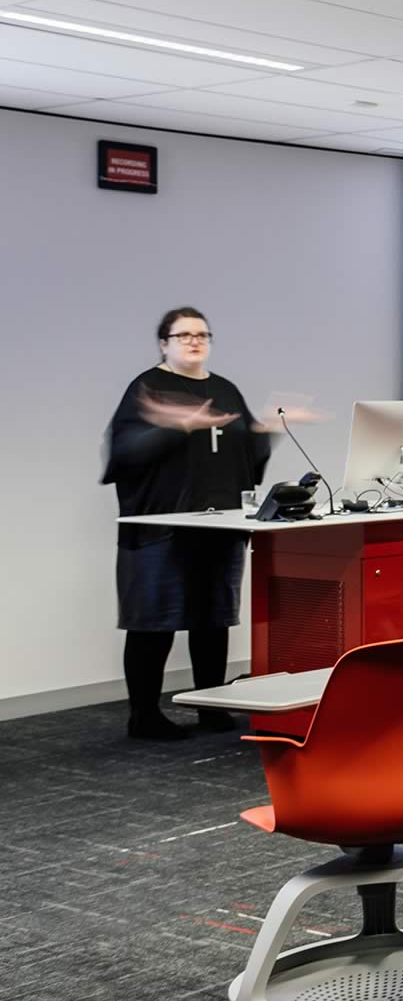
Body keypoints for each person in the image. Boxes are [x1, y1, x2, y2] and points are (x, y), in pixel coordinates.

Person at [102, 307, 303, 740]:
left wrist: (268, 430)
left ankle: (211, 707)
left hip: (219, 526)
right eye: (184, 335)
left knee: (211, 622)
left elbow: (245, 452)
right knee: (153, 624)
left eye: (202, 334)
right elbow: (123, 453)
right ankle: (144, 716)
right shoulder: (147, 388)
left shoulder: (224, 390)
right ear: (163, 343)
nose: (195, 341)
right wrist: (178, 428)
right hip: (161, 528)